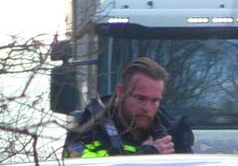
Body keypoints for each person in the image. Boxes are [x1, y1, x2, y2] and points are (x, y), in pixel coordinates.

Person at [64, 56, 193, 158]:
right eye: (140, 98)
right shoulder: (88, 130)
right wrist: (148, 155)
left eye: (155, 101)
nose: (146, 108)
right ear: (120, 91)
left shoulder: (173, 135)